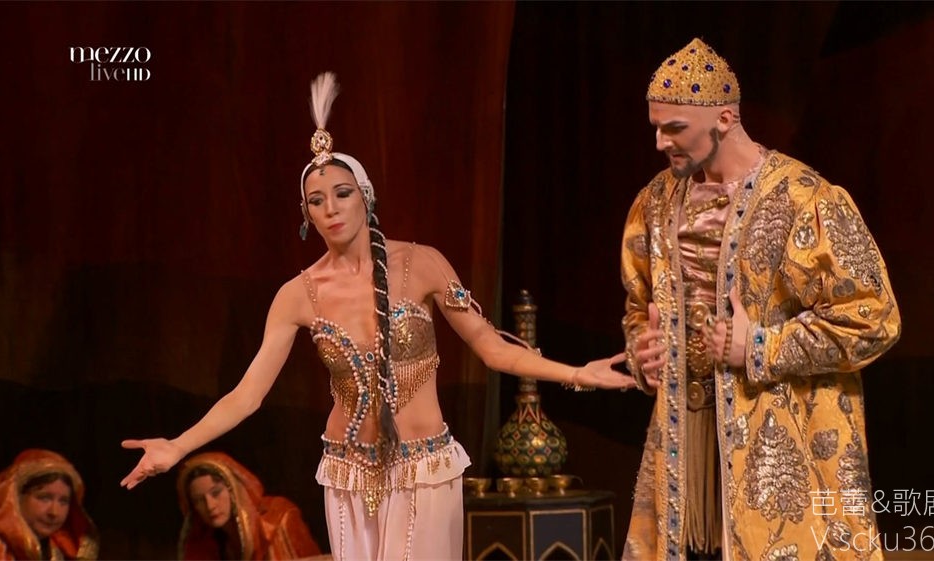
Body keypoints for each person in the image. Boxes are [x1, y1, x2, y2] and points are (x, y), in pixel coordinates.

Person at [120, 71, 635, 561]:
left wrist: (578, 373)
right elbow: (247, 395)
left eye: (342, 194)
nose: (331, 208)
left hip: (424, 471)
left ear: (365, 196)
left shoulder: (422, 263)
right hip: (346, 476)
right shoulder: (297, 295)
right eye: (316, 201)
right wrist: (177, 446)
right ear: (306, 214)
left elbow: (492, 349)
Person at [620, 38, 901, 561]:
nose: (660, 142)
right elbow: (638, 306)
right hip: (682, 445)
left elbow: (874, 318)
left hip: (781, 440)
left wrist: (759, 346)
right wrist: (644, 348)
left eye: (674, 128)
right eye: (656, 127)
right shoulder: (655, 202)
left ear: (725, 119)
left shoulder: (804, 198)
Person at [175, 452, 322, 560]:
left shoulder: (278, 519)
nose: (210, 505)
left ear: (234, 489)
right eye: (198, 500)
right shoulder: (202, 543)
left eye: (216, 493)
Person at [0, 449, 99, 560]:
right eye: (44, 498)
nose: (54, 512)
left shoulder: (57, 547)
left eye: (63, 501)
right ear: (16, 497)